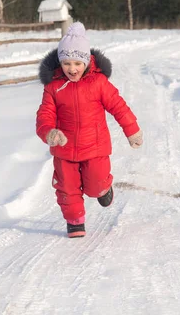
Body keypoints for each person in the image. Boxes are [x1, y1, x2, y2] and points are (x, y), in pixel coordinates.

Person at [35, 22, 143, 238]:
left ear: (86, 61)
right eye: (66, 63)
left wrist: (132, 130)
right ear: (60, 62)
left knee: (95, 186)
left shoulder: (98, 83)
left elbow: (118, 106)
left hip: (95, 148)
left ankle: (104, 189)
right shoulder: (54, 87)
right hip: (65, 151)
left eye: (77, 63)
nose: (72, 69)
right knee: (67, 188)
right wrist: (49, 133)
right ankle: (75, 221)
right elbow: (44, 115)